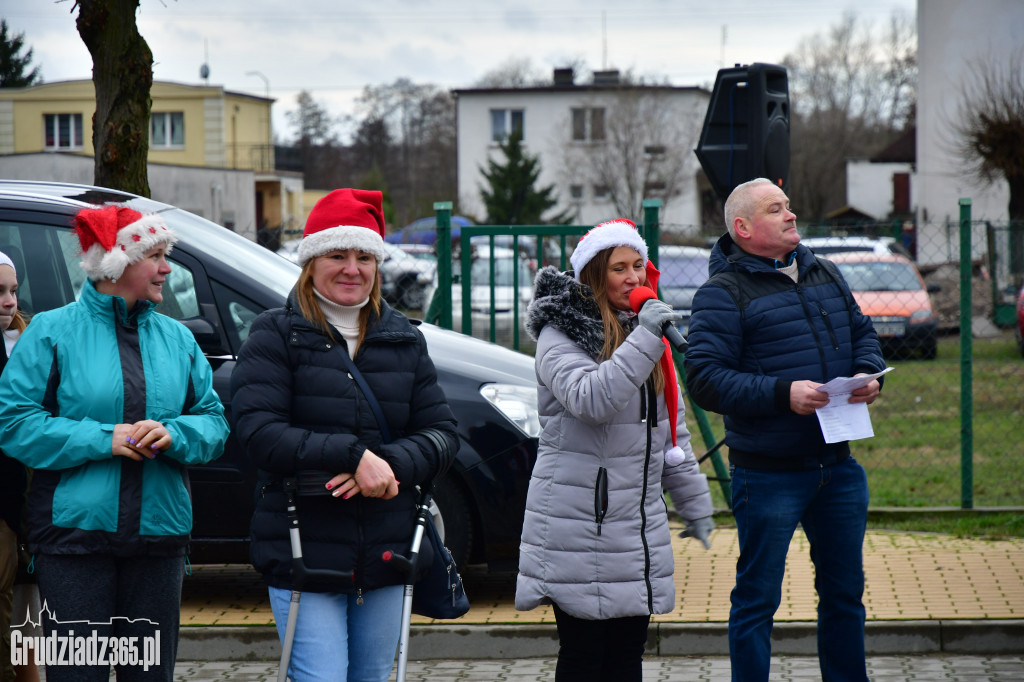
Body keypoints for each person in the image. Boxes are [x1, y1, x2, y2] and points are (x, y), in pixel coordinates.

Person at [230, 188, 459, 682]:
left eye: (363, 257)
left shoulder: (404, 337)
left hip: (389, 549)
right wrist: (353, 456)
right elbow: (258, 432)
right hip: (302, 547)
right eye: (337, 255)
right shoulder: (274, 334)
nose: (351, 268)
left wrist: (387, 464)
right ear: (311, 262)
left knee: (374, 677)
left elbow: (442, 435)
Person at [0, 206, 230, 682]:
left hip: (159, 539)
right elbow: (15, 425)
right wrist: (105, 439)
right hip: (74, 540)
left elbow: (213, 422)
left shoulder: (178, 339)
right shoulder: (50, 332)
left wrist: (177, 434)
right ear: (117, 262)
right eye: (157, 256)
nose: (168, 267)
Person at [683, 178, 886, 682]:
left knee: (844, 595)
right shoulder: (721, 293)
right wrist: (783, 393)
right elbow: (705, 380)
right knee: (757, 600)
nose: (792, 215)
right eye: (777, 210)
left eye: (789, 207)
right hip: (768, 474)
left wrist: (867, 372)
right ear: (744, 228)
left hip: (838, 469)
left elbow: (863, 331)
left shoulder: (824, 271)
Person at [515, 218, 715, 682]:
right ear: (594, 276)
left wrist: (694, 505)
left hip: (635, 529)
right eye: (618, 268)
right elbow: (591, 401)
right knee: (586, 659)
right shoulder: (559, 334)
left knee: (627, 660)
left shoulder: (646, 340)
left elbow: (673, 437)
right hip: (579, 525)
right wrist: (646, 338)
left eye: (638, 265)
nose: (633, 277)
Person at [0, 250, 39, 682]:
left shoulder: (27, 343)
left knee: (28, 611)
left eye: (13, 290)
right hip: (9, 508)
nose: (10, 302)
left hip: (29, 505)